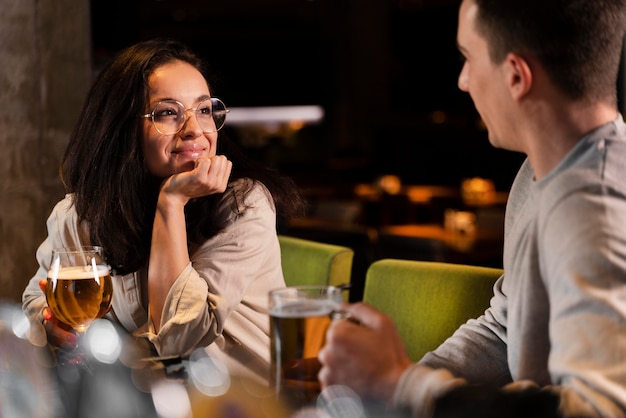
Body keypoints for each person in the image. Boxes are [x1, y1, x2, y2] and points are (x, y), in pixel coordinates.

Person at [318, 0, 626, 417]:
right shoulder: (537, 173)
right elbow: (506, 329)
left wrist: (402, 385)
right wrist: (389, 389)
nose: (463, 81)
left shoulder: (594, 203)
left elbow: (599, 410)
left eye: (468, 57)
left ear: (516, 75)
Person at [22, 38, 305, 383]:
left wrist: (171, 202)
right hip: (142, 398)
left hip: (238, 402)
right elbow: (37, 300)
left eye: (203, 110)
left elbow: (177, 342)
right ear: (122, 127)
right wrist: (53, 327)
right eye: (168, 113)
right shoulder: (80, 214)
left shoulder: (243, 203)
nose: (195, 130)